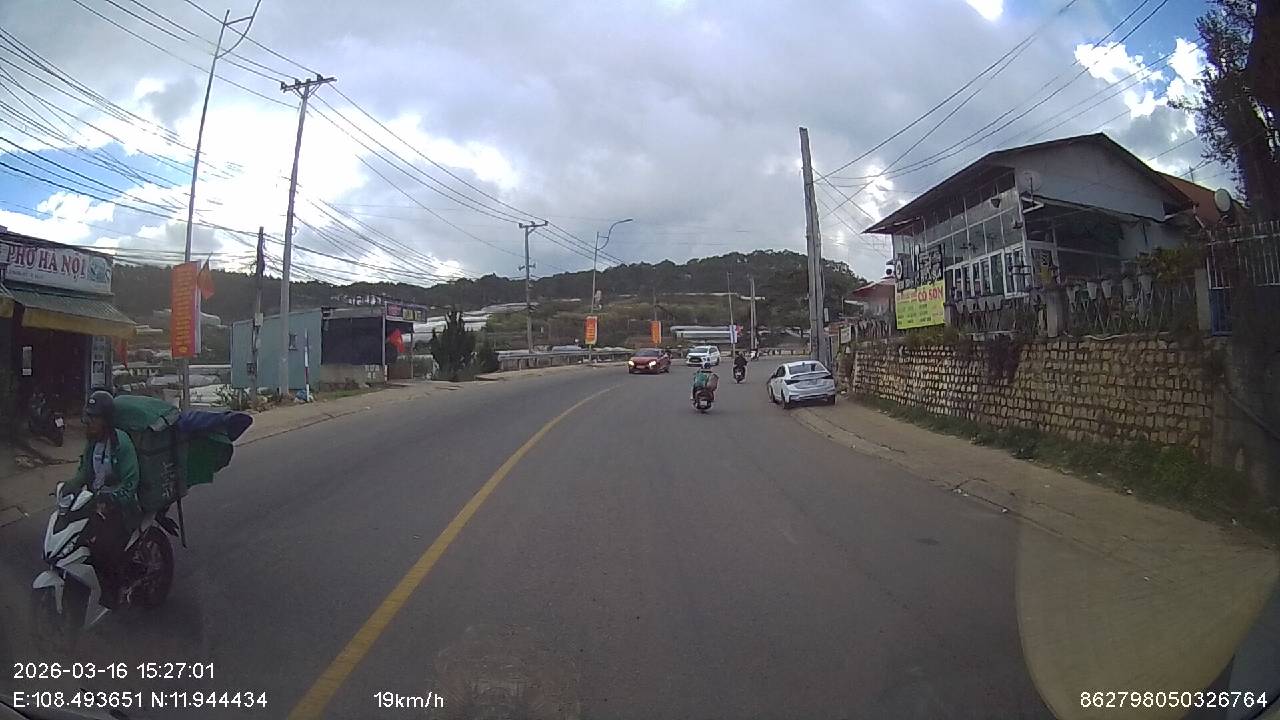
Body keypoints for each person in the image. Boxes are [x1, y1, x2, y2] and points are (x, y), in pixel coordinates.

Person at [64, 390, 141, 607]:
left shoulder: (121, 443)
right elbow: (84, 471)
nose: (88, 422)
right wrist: (70, 486)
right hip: (94, 503)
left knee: (102, 545)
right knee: (71, 535)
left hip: (122, 508)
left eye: (94, 417)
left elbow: (130, 483)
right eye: (87, 416)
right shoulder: (92, 442)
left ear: (106, 420)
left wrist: (110, 499)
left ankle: (114, 591)